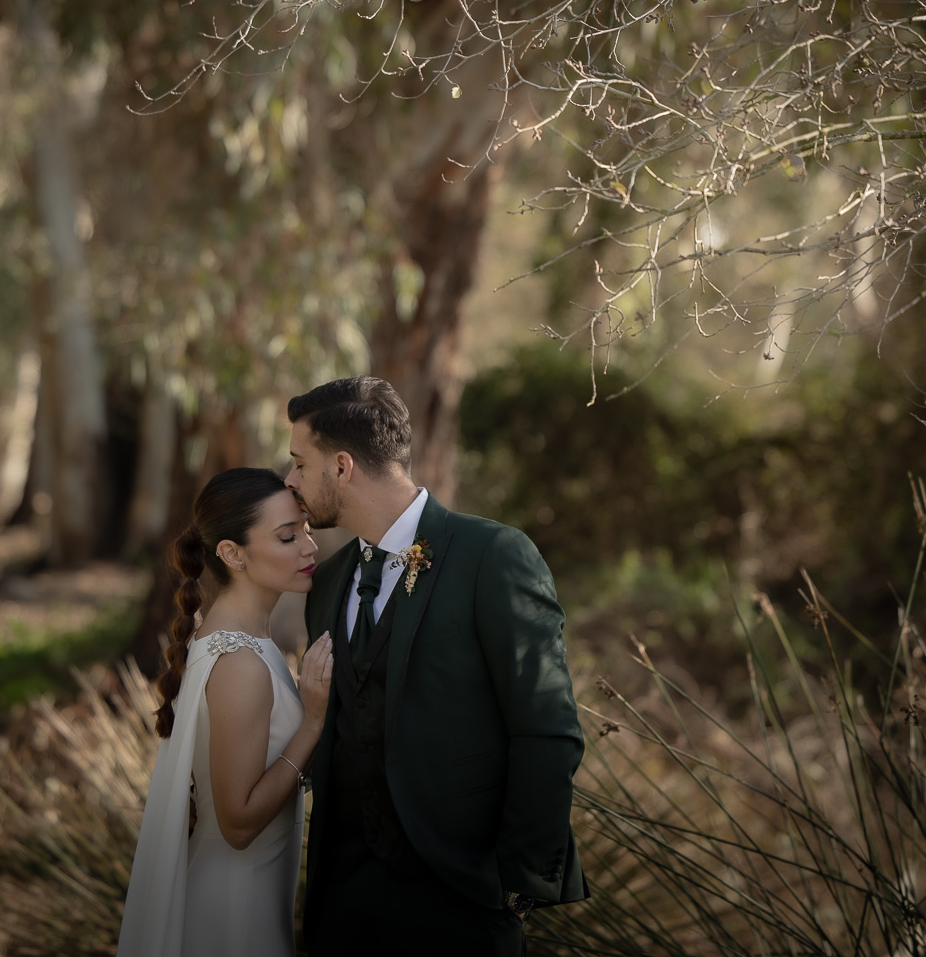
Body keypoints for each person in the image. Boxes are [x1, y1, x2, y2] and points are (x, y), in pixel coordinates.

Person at [286, 376, 587, 956]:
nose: (291, 481)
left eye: (300, 463)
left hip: (464, 900)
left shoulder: (492, 556)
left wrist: (519, 882)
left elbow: (546, 727)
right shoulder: (325, 583)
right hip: (341, 904)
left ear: (342, 467)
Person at [117, 467, 336, 957]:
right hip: (234, 910)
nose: (309, 547)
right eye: (287, 536)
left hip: (247, 895)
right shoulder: (240, 663)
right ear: (233, 554)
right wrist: (313, 723)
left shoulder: (240, 642)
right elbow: (238, 825)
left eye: (305, 530)